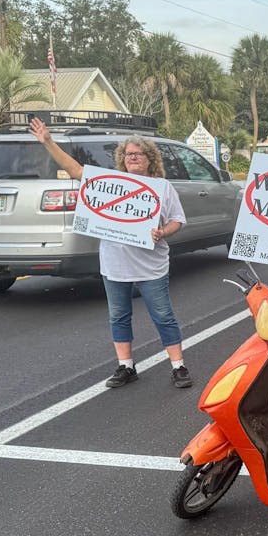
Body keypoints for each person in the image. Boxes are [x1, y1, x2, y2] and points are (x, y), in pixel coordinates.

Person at [28, 117, 193, 389]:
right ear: (122, 158)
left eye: (139, 154)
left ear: (150, 159)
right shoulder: (108, 183)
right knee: (118, 315)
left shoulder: (162, 187)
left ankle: (178, 366)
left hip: (151, 265)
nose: (133, 158)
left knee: (162, 315)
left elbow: (177, 220)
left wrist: (163, 232)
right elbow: (75, 170)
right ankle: (126, 366)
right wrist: (48, 141)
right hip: (114, 264)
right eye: (128, 154)